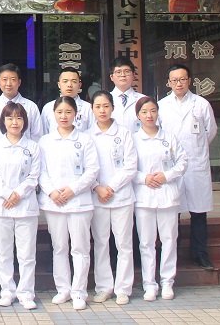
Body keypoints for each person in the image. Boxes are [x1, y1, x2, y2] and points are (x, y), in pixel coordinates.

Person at [38, 96, 100, 311]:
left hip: (79, 201)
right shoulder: (45, 141)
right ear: (53, 115)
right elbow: (41, 171)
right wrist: (52, 192)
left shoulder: (85, 140)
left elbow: (92, 170)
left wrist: (73, 189)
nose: (63, 116)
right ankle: (63, 289)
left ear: (76, 114)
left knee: (80, 248)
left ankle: (79, 291)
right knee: (59, 247)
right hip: (54, 202)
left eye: (68, 112)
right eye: (59, 112)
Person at [157, 63, 218, 271]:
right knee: (173, 212)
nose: (179, 84)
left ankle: (199, 253)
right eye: (174, 80)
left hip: (195, 164)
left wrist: (197, 150)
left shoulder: (201, 104)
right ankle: (172, 252)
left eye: (182, 79)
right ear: (168, 83)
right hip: (172, 166)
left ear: (189, 81)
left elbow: (210, 131)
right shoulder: (162, 105)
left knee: (198, 212)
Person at [0, 101, 41, 310]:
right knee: (3, 253)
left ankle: (26, 293)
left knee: (27, 254)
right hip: (1, 207)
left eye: (18, 117)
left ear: (25, 121)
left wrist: (19, 194)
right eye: (10, 118)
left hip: (26, 207)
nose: (14, 122)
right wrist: (9, 194)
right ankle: (7, 291)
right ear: (3, 121)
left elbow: (34, 175)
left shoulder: (33, 147)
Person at [133, 96, 188, 301]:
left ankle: (167, 282)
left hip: (167, 195)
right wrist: (144, 178)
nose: (149, 115)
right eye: (144, 112)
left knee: (169, 240)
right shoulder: (133, 139)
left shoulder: (169, 138)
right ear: (138, 116)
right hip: (144, 197)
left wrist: (167, 175)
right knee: (146, 242)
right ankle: (149, 284)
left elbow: (183, 162)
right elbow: (127, 167)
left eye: (153, 111)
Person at [88, 91, 137, 305]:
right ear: (92, 109)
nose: (102, 110)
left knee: (124, 243)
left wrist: (111, 188)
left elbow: (131, 166)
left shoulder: (124, 133)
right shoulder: (87, 135)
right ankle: (103, 287)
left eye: (106, 106)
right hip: (97, 197)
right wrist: (98, 188)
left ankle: (123, 288)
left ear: (113, 108)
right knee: (101, 243)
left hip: (121, 196)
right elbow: (85, 168)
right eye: (98, 106)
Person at [0, 64, 44, 141]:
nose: (8, 84)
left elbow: (37, 136)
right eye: (4, 79)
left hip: (25, 148)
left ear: (19, 82)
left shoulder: (31, 106)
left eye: (13, 79)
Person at [41, 67, 92, 135]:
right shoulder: (48, 108)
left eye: (74, 81)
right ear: (59, 85)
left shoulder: (88, 108)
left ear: (79, 85)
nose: (69, 85)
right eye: (65, 81)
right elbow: (44, 134)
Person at [108, 57, 145, 133]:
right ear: (111, 77)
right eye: (118, 72)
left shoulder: (143, 100)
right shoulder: (104, 100)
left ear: (133, 75)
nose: (123, 75)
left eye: (127, 71)